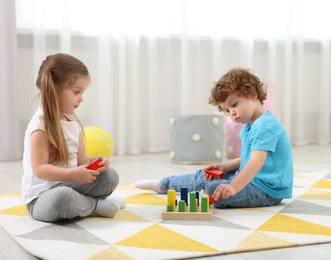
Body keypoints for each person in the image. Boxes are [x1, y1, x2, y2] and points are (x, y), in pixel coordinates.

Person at [133, 68, 293, 208]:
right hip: (252, 180)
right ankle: (163, 185)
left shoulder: (265, 125)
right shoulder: (252, 125)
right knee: (206, 174)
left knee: (214, 188)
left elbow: (256, 161)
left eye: (234, 105)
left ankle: (188, 193)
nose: (232, 113)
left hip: (267, 190)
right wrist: (225, 167)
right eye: (227, 110)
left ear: (252, 94)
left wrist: (233, 187)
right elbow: (249, 157)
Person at [22, 53, 125, 222]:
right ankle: (94, 205)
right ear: (55, 89)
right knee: (62, 199)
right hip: (42, 199)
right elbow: (39, 169)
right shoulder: (40, 125)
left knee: (110, 176)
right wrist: (73, 174)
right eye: (77, 92)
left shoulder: (72, 120)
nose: (81, 99)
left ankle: (84, 203)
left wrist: (95, 162)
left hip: (69, 184)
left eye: (82, 92)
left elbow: (80, 159)